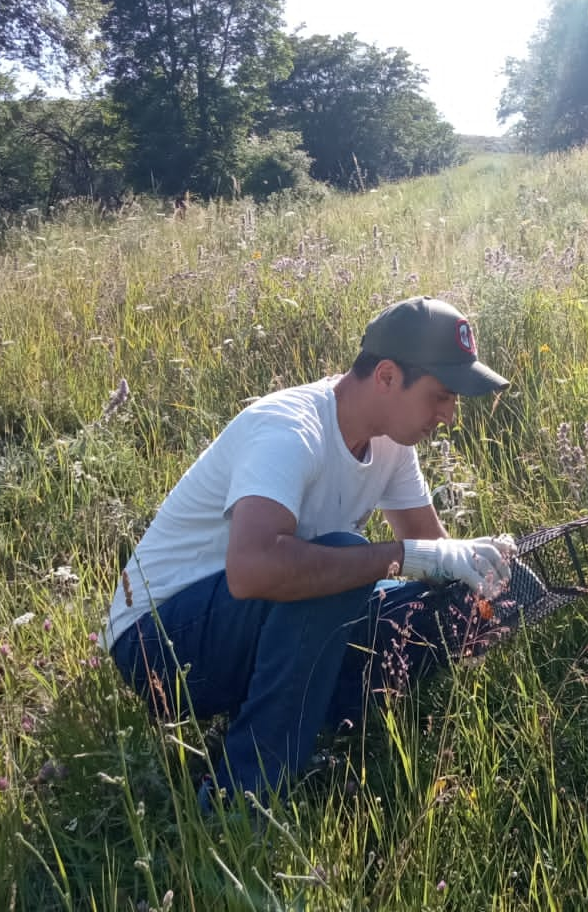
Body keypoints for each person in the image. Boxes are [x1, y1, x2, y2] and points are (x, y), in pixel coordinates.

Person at [104, 295, 514, 810]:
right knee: (344, 558)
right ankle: (241, 797)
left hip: (236, 627)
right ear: (387, 376)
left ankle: (318, 727)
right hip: (158, 644)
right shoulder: (291, 428)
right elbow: (252, 571)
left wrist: (477, 568)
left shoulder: (391, 445)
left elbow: (429, 555)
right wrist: (406, 558)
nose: (449, 415)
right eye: (441, 396)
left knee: (428, 606)